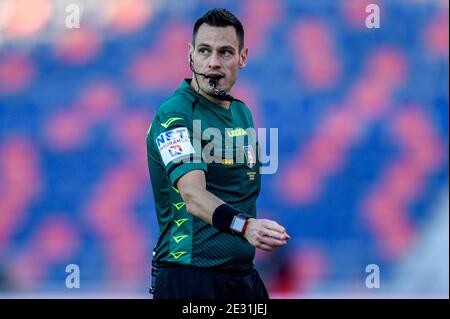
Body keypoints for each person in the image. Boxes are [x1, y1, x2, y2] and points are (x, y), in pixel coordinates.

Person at [146, 8, 290, 299]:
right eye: (204, 51)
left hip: (242, 278)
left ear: (243, 57)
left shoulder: (242, 113)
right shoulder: (174, 114)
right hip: (189, 278)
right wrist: (245, 225)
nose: (213, 62)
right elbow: (193, 197)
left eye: (225, 52)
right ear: (190, 54)